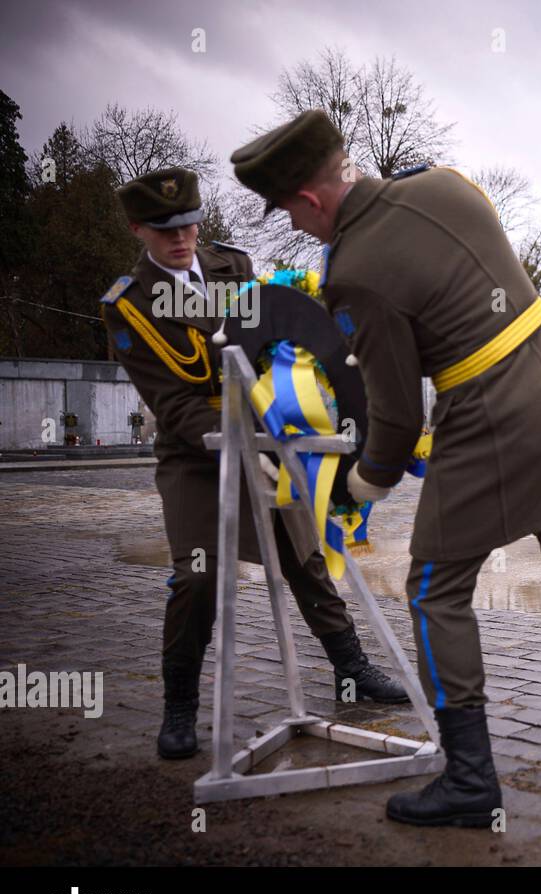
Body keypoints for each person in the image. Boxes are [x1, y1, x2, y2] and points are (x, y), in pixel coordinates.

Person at [231, 110, 541, 828]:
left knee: (432, 589)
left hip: (491, 417)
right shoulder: (446, 185)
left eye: (288, 211)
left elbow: (393, 417)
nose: (293, 227)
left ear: (312, 199)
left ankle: (470, 777)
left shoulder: (355, 272)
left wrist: (361, 485)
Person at [100, 167, 407, 761]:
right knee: (197, 576)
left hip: (266, 435)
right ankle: (181, 706)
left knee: (304, 555)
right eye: (165, 230)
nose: (182, 238)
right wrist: (236, 435)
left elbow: (272, 346)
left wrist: (295, 412)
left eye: (189, 224)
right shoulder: (128, 306)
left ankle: (353, 669)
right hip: (196, 453)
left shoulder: (232, 269)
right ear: (138, 229)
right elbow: (172, 403)